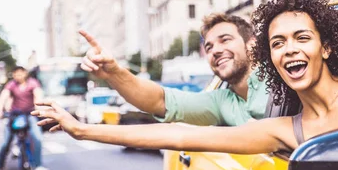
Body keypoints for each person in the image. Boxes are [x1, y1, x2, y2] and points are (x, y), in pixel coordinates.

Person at [34, 0, 338, 170]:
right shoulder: (279, 128)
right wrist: (81, 128)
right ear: (269, 55)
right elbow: (175, 133)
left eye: (302, 38)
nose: (289, 50)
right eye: (278, 43)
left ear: (326, 45)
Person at [78, 13, 268, 127]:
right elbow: (159, 100)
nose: (216, 51)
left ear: (252, 45)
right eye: (208, 47)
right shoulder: (221, 102)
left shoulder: (284, 81)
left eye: (225, 40)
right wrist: (113, 73)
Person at [0, 66, 49, 170]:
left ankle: (38, 166)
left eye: (20, 73)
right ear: (13, 75)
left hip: (30, 114)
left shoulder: (32, 83)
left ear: (25, 73)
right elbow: (3, 96)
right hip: (14, 115)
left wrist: (40, 107)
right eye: (16, 73)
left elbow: (38, 95)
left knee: (37, 138)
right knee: (5, 143)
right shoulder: (11, 85)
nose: (18, 75)